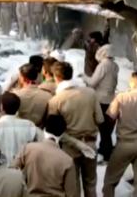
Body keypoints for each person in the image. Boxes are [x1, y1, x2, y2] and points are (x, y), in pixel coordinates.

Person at [48, 61, 104, 197]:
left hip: (69, 148)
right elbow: (100, 120)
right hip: (90, 145)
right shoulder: (90, 93)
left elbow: (55, 130)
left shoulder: (56, 100)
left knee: (73, 186)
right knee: (91, 184)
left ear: (57, 78)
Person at [13, 115, 78, 197]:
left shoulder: (27, 148)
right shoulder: (67, 160)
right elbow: (71, 194)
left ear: (44, 130)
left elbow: (13, 171)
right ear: (61, 134)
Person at [0, 92, 43, 166]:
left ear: (1, 107)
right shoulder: (29, 125)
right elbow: (44, 142)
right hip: (23, 170)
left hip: (2, 169)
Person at [82, 44, 119, 161]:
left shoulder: (103, 65)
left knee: (102, 127)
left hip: (101, 99)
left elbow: (93, 82)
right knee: (107, 127)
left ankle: (106, 151)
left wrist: (84, 77)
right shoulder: (115, 65)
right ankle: (105, 148)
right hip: (111, 98)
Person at [13, 63, 52, 128]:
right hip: (39, 131)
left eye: (19, 76)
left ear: (23, 78)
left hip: (20, 130)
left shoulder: (15, 95)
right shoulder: (48, 96)